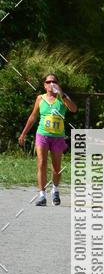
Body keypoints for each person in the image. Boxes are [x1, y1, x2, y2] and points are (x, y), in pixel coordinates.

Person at [19, 74, 77, 206]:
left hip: (58, 137)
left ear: (58, 84)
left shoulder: (62, 98)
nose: (51, 83)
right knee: (41, 163)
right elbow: (33, 117)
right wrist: (23, 134)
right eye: (48, 81)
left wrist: (62, 94)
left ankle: (55, 190)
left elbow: (73, 109)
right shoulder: (40, 98)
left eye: (54, 81)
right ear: (45, 85)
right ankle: (42, 195)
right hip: (42, 135)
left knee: (56, 168)